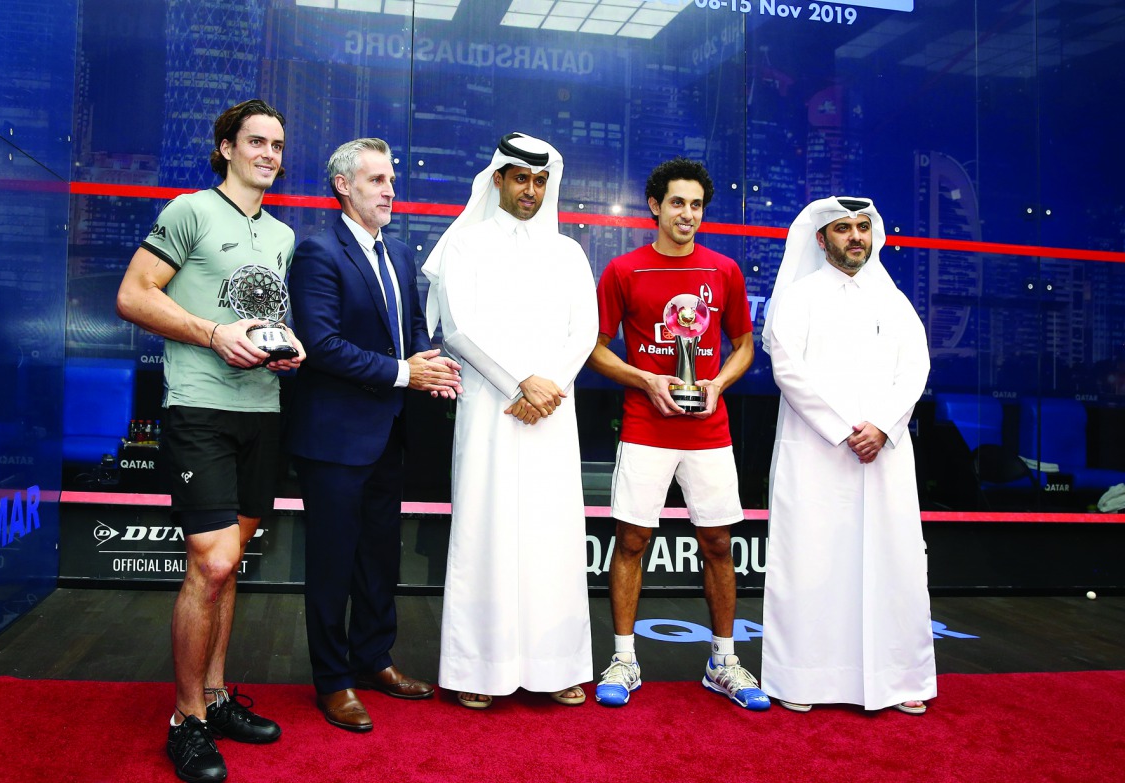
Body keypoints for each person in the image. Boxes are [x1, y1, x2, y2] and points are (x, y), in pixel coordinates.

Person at [116, 99, 304, 783]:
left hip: (264, 409)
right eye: (256, 141)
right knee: (213, 563)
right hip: (199, 406)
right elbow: (134, 295)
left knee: (231, 563)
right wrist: (211, 332)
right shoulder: (189, 211)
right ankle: (186, 718)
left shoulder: (281, 236)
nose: (269, 154)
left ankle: (217, 698)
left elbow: (257, 317)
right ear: (226, 147)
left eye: (278, 144)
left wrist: (285, 348)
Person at [285, 138, 462, 732]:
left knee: (379, 558)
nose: (390, 190)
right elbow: (322, 346)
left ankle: (374, 660)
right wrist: (404, 373)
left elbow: (409, 329)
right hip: (334, 439)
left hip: (389, 432)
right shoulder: (317, 252)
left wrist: (428, 369)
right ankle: (333, 681)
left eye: (391, 180)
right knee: (333, 563)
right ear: (344, 186)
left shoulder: (401, 253)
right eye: (377, 181)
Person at [586, 158, 768, 711]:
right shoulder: (623, 271)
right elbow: (593, 350)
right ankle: (624, 657)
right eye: (677, 203)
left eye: (696, 205)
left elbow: (744, 345)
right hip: (645, 427)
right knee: (632, 541)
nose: (687, 214)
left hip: (709, 431)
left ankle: (723, 661)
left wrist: (717, 385)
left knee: (718, 543)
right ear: (655, 207)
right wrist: (644, 377)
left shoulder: (724, 272)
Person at [423, 132, 597, 710]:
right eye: (520, 178)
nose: (531, 189)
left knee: (554, 536)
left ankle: (557, 666)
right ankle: (479, 669)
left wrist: (547, 387)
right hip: (492, 412)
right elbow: (460, 329)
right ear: (497, 179)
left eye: (541, 180)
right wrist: (522, 381)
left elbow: (585, 331)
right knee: (485, 533)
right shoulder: (466, 247)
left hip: (552, 411)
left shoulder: (568, 252)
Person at [759, 196, 936, 714]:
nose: (855, 236)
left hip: (883, 453)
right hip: (816, 452)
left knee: (893, 563)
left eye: (863, 227)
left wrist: (880, 426)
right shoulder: (798, 298)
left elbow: (916, 367)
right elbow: (787, 370)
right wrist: (843, 429)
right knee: (811, 563)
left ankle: (897, 681)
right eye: (843, 229)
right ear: (822, 239)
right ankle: (804, 680)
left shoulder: (894, 300)